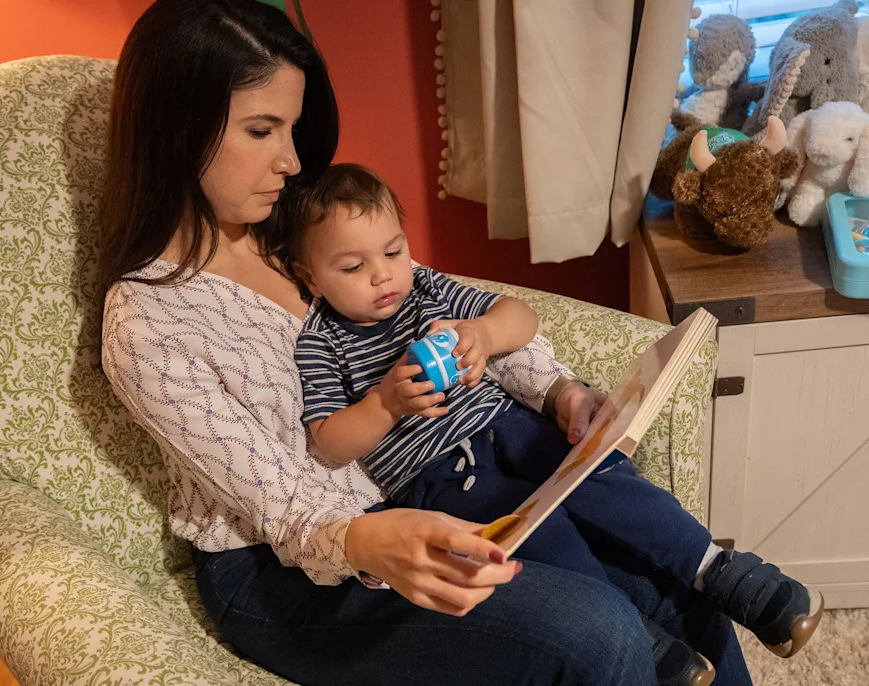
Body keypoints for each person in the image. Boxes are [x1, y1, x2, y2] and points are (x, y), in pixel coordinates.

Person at [98, 1, 755, 684]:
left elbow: (437, 303)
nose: (291, 161)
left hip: (423, 487)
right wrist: (363, 539)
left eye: (291, 130)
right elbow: (282, 501)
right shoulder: (151, 323)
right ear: (177, 129)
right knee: (599, 630)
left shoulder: (290, 223)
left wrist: (556, 389)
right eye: (262, 130)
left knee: (676, 578)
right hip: (279, 564)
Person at [287, 162, 825, 680]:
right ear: (310, 277)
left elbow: (521, 316)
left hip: (512, 426)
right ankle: (641, 642)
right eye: (353, 267)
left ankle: (723, 571)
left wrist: (485, 334)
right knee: (544, 546)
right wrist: (384, 404)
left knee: (608, 479)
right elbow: (329, 442)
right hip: (441, 478)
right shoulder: (320, 341)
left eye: (392, 250)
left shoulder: (426, 288)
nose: (382, 274)